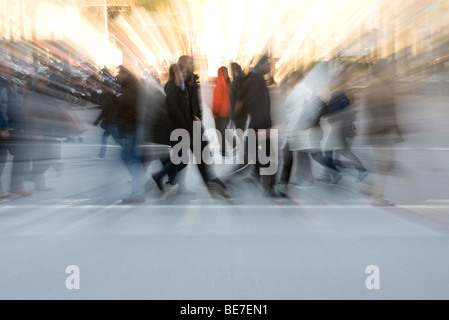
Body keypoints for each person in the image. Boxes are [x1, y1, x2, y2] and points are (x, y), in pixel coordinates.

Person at [234, 55, 279, 197]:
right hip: (261, 122)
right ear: (262, 63)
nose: (270, 66)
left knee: (255, 151)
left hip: (258, 122)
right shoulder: (254, 79)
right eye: (268, 63)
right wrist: (264, 125)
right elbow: (248, 103)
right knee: (267, 155)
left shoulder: (256, 78)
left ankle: (256, 175)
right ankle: (270, 187)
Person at [364, 59, 402, 206]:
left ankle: (373, 190)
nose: (392, 70)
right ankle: (377, 196)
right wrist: (386, 125)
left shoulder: (386, 84)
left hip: (385, 131)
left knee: (388, 163)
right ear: (383, 69)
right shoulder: (376, 86)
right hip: (379, 131)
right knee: (384, 163)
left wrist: (397, 130)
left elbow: (392, 111)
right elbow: (373, 109)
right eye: (391, 68)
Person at [25, 72, 69, 192]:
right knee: (40, 159)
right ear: (36, 82)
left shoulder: (46, 94)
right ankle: (39, 183)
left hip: (50, 131)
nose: (45, 84)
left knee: (48, 157)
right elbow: (31, 115)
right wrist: (37, 133)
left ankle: (35, 177)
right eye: (42, 81)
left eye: (46, 82)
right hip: (38, 132)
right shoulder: (32, 95)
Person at [116, 65, 146, 203]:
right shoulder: (133, 89)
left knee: (130, 158)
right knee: (131, 158)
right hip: (133, 128)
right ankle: (138, 189)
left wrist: (123, 128)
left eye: (120, 73)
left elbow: (128, 111)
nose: (118, 75)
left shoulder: (131, 91)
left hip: (131, 128)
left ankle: (138, 192)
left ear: (126, 74)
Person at [0, 60, 31, 197]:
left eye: (12, 69)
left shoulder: (10, 83)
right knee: (2, 158)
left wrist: (22, 91)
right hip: (5, 128)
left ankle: (16, 186)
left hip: (15, 128)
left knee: (22, 155)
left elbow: (15, 98)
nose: (11, 72)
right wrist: (2, 127)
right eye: (8, 69)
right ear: (1, 69)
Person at [93, 80, 122, 159]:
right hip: (111, 121)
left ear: (105, 89)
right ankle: (101, 155)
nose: (101, 89)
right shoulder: (110, 96)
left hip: (111, 122)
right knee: (104, 137)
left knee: (117, 139)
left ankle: (129, 150)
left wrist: (97, 121)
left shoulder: (109, 97)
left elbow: (105, 111)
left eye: (102, 88)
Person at [212, 66, 232, 157]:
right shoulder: (228, 82)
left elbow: (217, 100)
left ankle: (224, 151)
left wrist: (214, 112)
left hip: (220, 113)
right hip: (226, 112)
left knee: (220, 132)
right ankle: (234, 145)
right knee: (224, 131)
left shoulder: (220, 83)